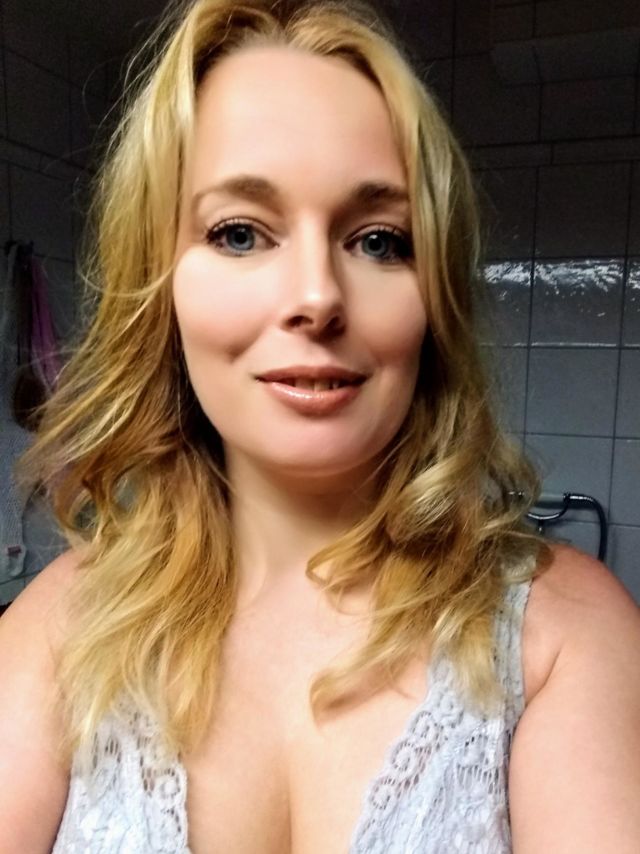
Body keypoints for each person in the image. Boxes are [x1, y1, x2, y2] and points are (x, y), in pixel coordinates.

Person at [1, 0, 639, 851]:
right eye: (239, 233)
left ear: (435, 299)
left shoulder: (564, 634)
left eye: (378, 241)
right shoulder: (59, 629)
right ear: (161, 284)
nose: (316, 296)